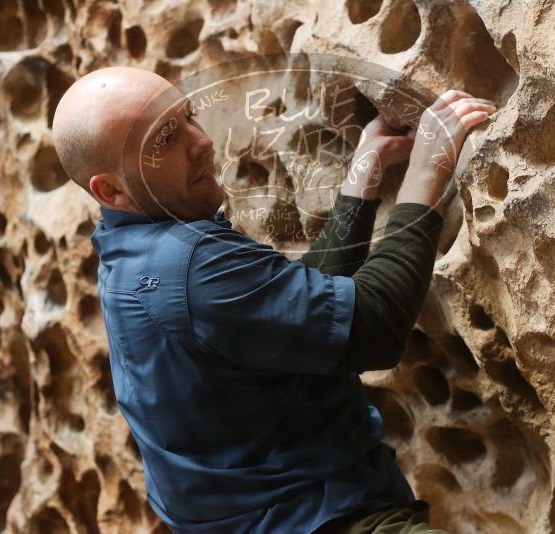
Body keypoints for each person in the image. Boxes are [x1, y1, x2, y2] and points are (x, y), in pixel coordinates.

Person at [52, 66, 495, 533]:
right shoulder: (188, 268)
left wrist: (365, 168)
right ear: (111, 189)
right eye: (164, 138)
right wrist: (428, 167)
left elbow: (300, 309)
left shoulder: (133, 249)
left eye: (189, 116)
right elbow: (371, 325)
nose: (200, 141)